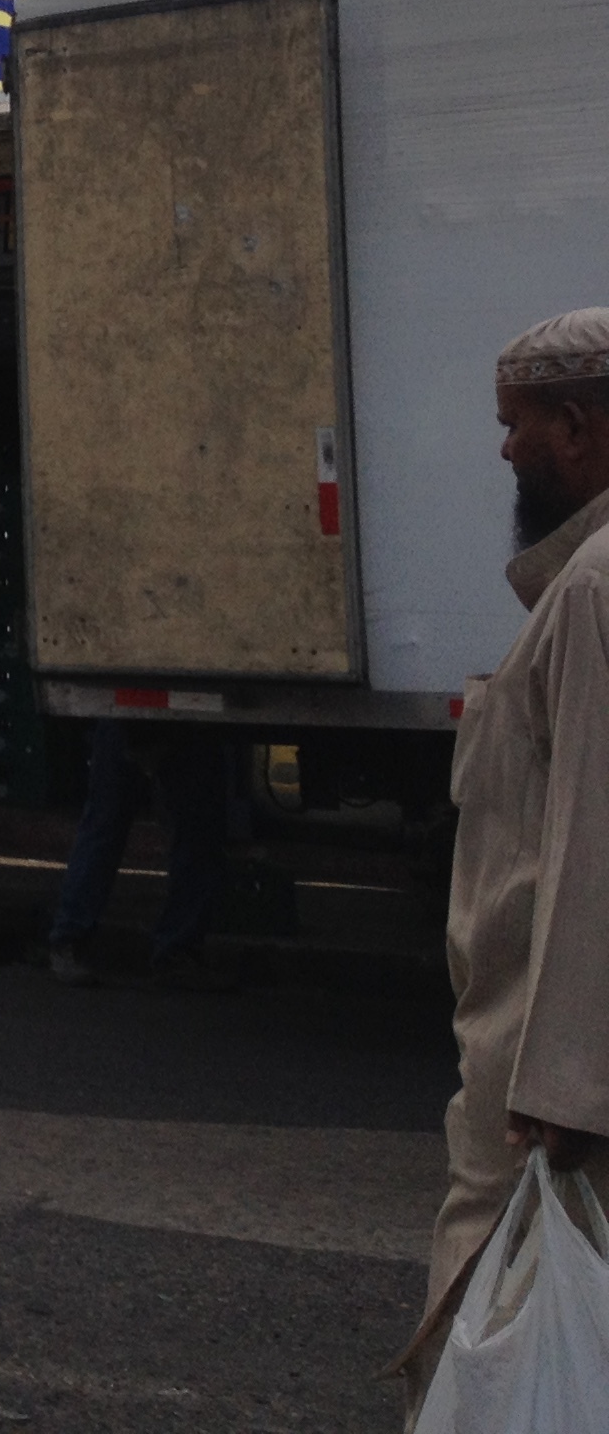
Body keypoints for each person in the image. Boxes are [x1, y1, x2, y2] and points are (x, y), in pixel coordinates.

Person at [392, 308, 609, 1410]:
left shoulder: (594, 590)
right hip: (553, 1069)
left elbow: (594, 838)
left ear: (575, 426)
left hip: (545, 1090)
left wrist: (567, 1084)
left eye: (515, 425)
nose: (504, 452)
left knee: (503, 1340)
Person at [44, 720, 232, 989]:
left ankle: (69, 939)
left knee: (106, 822)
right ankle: (175, 951)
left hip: (132, 707)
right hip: (181, 714)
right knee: (193, 828)